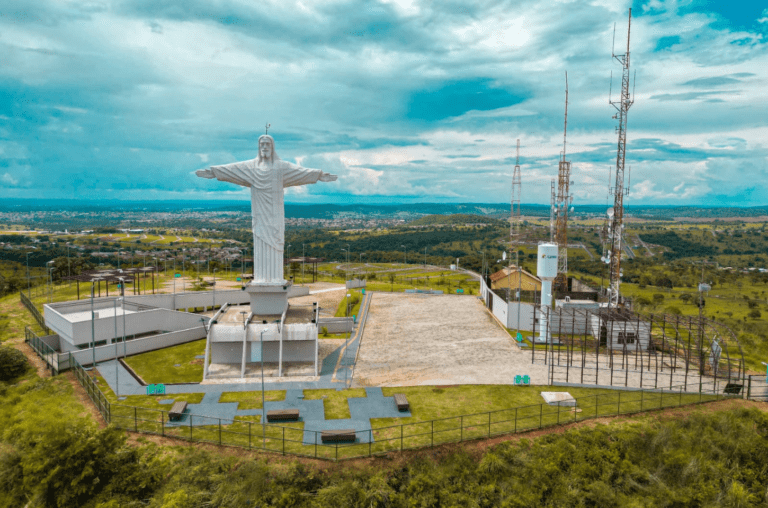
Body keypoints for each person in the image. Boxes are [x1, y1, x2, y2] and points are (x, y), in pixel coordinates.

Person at [196, 135, 337, 283]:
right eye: (261, 144)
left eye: (267, 144)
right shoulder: (251, 167)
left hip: (275, 215)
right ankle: (261, 278)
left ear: (272, 146)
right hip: (259, 214)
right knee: (260, 243)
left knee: (276, 242)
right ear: (258, 147)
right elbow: (232, 170)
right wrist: (213, 172)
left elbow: (301, 172)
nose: (264, 147)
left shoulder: (281, 167)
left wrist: (319, 175)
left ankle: (276, 278)